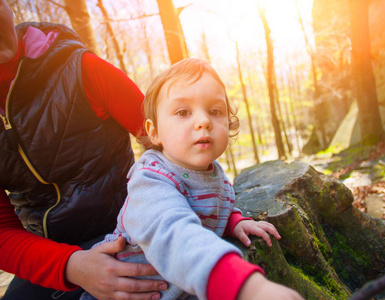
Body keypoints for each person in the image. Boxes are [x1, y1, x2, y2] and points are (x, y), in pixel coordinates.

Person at [82, 58, 304, 300]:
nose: (203, 121)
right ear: (154, 132)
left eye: (215, 111)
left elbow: (212, 205)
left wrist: (233, 220)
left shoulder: (213, 173)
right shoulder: (150, 182)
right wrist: (246, 286)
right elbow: (175, 237)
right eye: (183, 112)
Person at [0, 1, 167, 299]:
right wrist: (71, 266)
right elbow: (2, 232)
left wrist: (223, 211)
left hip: (124, 230)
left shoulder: (81, 69)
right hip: (48, 254)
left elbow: (173, 147)